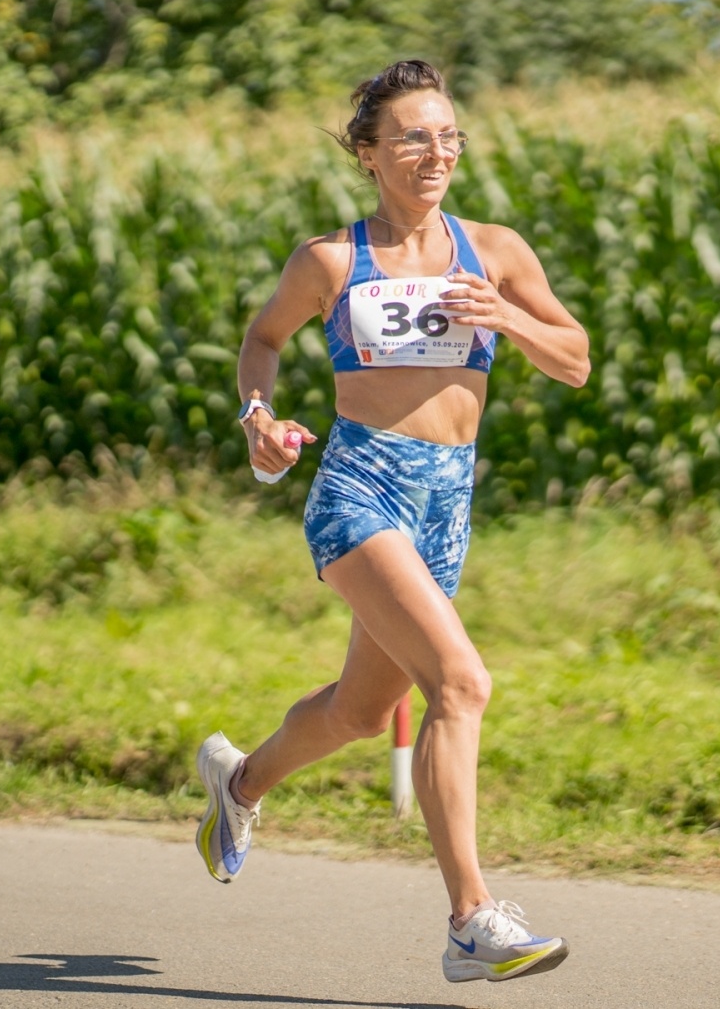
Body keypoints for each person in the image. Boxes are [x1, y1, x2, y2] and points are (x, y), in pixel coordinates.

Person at [195, 59, 590, 985]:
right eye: (413, 136)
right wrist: (259, 418)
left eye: (448, 134)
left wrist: (509, 319)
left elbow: (574, 359)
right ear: (368, 154)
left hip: (446, 503)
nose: (436, 151)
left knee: (361, 713)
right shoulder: (331, 259)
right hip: (361, 488)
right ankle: (470, 920)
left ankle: (240, 781)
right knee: (461, 682)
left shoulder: (494, 249)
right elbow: (263, 341)